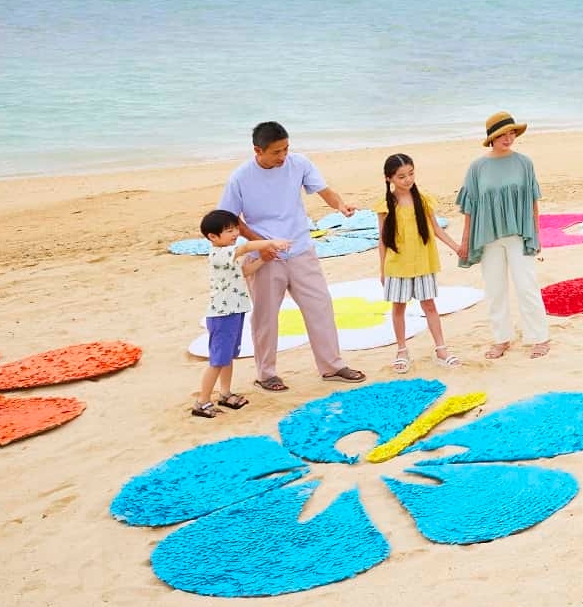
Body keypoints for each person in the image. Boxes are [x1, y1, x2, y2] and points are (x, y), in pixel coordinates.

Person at [219, 121, 368, 391]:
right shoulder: (240, 178)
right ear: (258, 151)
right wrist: (260, 243)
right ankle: (266, 374)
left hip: (300, 249)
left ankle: (332, 366)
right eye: (276, 152)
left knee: (320, 307)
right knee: (265, 317)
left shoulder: (299, 164)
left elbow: (324, 191)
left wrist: (340, 205)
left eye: (286, 149)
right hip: (264, 257)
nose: (283, 156)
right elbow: (231, 219)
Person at [455, 111, 550, 359]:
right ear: (492, 138)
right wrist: (465, 240)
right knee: (495, 290)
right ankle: (501, 339)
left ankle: (539, 337)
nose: (508, 138)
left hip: (519, 234)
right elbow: (470, 207)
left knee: (527, 286)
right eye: (502, 135)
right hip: (488, 237)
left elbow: (532, 200)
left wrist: (536, 232)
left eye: (511, 133)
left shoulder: (524, 163)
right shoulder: (477, 167)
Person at [193, 210, 287, 417]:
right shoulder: (220, 253)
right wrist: (271, 242)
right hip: (222, 315)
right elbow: (245, 247)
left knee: (227, 358)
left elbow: (243, 273)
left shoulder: (228, 254)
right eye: (229, 231)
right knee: (218, 361)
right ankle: (202, 401)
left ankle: (225, 393)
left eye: (235, 228)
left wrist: (263, 260)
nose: (235, 233)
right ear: (213, 237)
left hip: (234, 312)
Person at [378, 153, 465, 372]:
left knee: (429, 305)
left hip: (423, 262)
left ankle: (441, 349)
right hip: (397, 265)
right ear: (389, 178)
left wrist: (456, 247)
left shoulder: (423, 200)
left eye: (411, 174)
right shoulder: (385, 205)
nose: (408, 179)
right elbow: (383, 239)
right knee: (398, 308)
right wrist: (382, 269)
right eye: (401, 176)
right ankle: (402, 350)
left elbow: (436, 229)